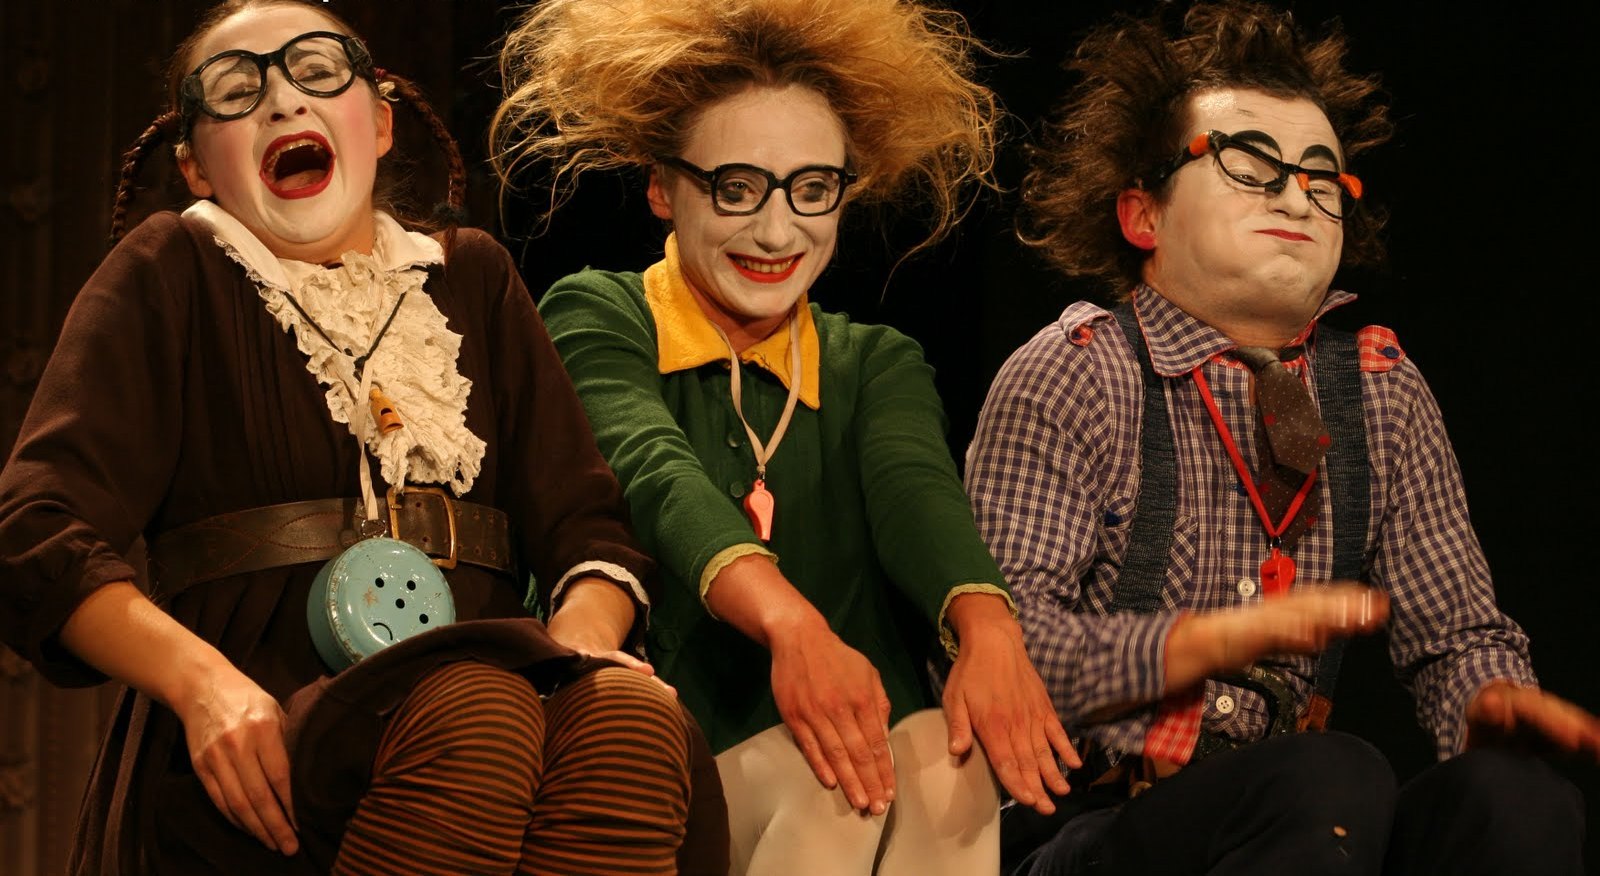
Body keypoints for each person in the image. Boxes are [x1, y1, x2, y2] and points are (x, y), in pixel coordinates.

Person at [0, 1, 721, 873]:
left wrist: (581, 645)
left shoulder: (470, 275)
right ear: (196, 167)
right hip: (276, 716)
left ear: (379, 124)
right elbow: (36, 529)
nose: (283, 101)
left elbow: (586, 528)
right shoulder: (172, 269)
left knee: (629, 720)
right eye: (235, 91)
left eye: (316, 71)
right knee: (473, 712)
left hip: (493, 685)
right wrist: (203, 686)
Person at [964, 2, 1600, 874]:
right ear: (1144, 215)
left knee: (1518, 801)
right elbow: (1001, 650)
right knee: (1330, 773)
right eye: (1251, 166)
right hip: (1091, 823)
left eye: (1321, 178)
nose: (1297, 196)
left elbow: (1458, 635)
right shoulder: (1077, 372)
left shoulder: (1379, 392)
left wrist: (1489, 701)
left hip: (1293, 824)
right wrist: (1204, 643)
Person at [490, 0, 1080, 872]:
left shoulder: (873, 361)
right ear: (662, 188)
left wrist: (988, 629)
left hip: (865, 769)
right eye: (735, 188)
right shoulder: (600, 313)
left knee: (944, 757)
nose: (776, 231)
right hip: (660, 779)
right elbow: (655, 473)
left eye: (811, 189)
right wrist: (792, 626)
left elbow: (916, 491)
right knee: (830, 779)